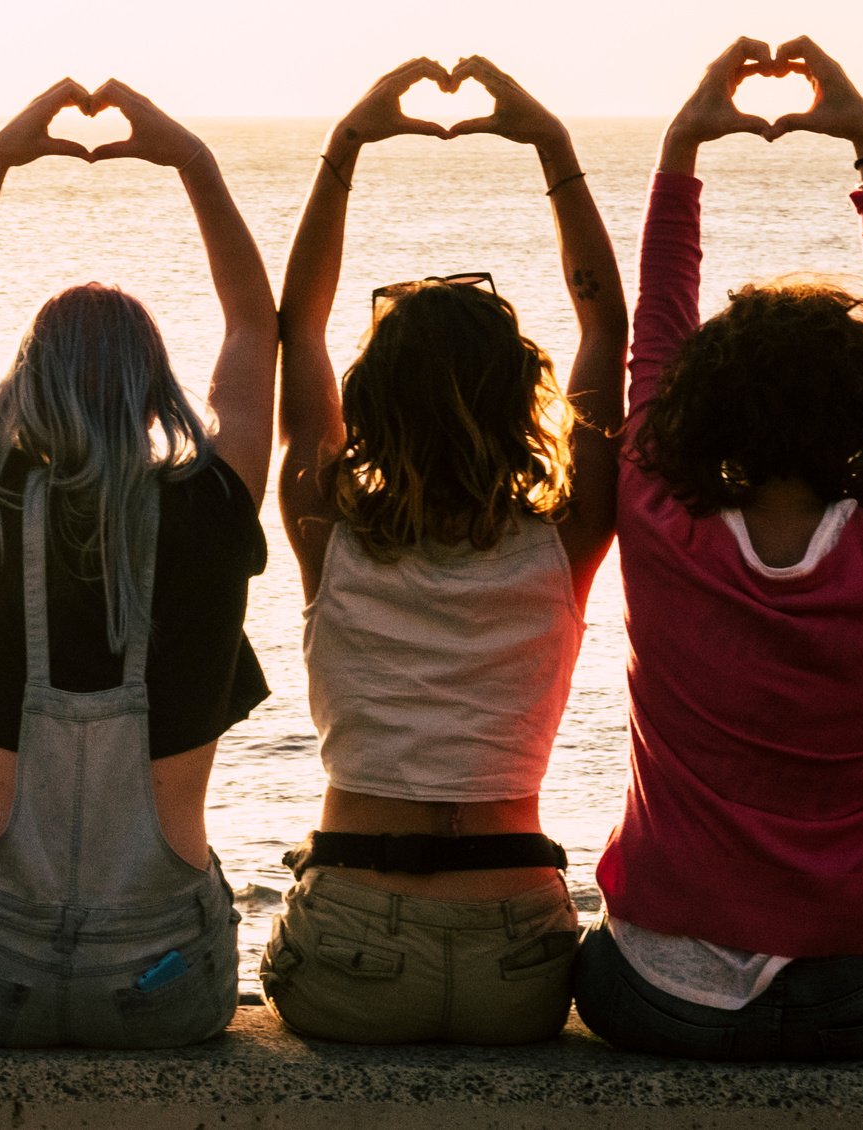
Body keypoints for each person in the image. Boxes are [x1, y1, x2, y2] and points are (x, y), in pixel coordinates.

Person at [575, 37, 863, 1061]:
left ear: (705, 411)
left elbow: (655, 331)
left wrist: (684, 145)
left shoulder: (661, 521)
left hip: (661, 995)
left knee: (588, 962)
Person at [257, 57, 628, 1045]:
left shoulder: (326, 529)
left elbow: (295, 329)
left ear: (370, 403)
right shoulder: (567, 538)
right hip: (521, 955)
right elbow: (606, 324)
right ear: (520, 397)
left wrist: (348, 144)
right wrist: (550, 144)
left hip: (353, 946)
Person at [0, 79, 275, 1049]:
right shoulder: (213, 501)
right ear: (158, 383)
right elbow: (252, 328)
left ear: (27, 378)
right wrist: (191, 160)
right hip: (163, 976)